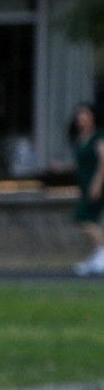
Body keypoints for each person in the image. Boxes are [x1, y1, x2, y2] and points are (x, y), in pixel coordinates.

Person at [71, 103, 104, 276]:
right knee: (91, 220)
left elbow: (103, 161)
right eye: (79, 115)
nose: (81, 118)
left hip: (96, 185)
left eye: (85, 114)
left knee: (83, 219)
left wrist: (97, 184)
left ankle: (101, 255)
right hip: (85, 185)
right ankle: (96, 258)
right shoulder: (81, 137)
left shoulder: (98, 135)